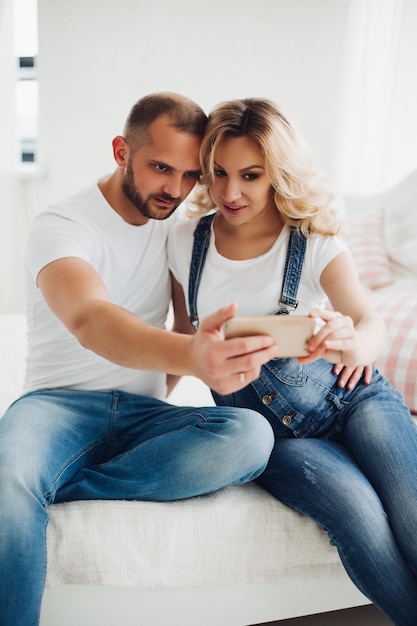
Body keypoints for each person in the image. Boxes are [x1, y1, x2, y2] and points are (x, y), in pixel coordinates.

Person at [0, 92, 277, 626]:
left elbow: (186, 323)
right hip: (56, 407)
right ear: (121, 151)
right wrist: (193, 355)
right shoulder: (60, 225)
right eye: (160, 167)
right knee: (9, 475)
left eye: (191, 175)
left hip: (142, 416)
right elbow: (91, 320)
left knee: (249, 436)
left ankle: (68, 482)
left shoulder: (176, 231)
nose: (174, 189)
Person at [167, 97, 417, 625]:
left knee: (412, 513)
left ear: (276, 173)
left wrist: (352, 342)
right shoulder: (184, 241)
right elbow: (181, 338)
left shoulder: (313, 238)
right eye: (219, 174)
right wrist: (139, 405)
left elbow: (370, 325)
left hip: (355, 399)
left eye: (251, 176)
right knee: (360, 519)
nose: (231, 193)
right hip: (276, 438)